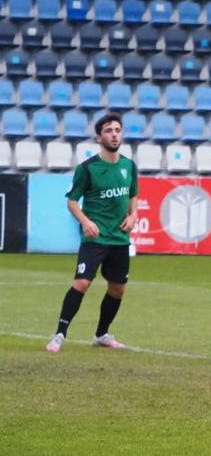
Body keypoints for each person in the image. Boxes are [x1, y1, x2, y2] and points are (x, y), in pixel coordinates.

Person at [46, 114, 139, 353]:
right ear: (99, 137)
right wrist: (85, 221)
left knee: (118, 288)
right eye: (109, 130)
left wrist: (133, 216)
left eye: (118, 130)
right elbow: (72, 201)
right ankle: (59, 334)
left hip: (119, 238)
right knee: (82, 282)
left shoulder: (129, 166)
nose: (114, 134)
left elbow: (132, 195)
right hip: (95, 237)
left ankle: (101, 334)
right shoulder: (87, 169)